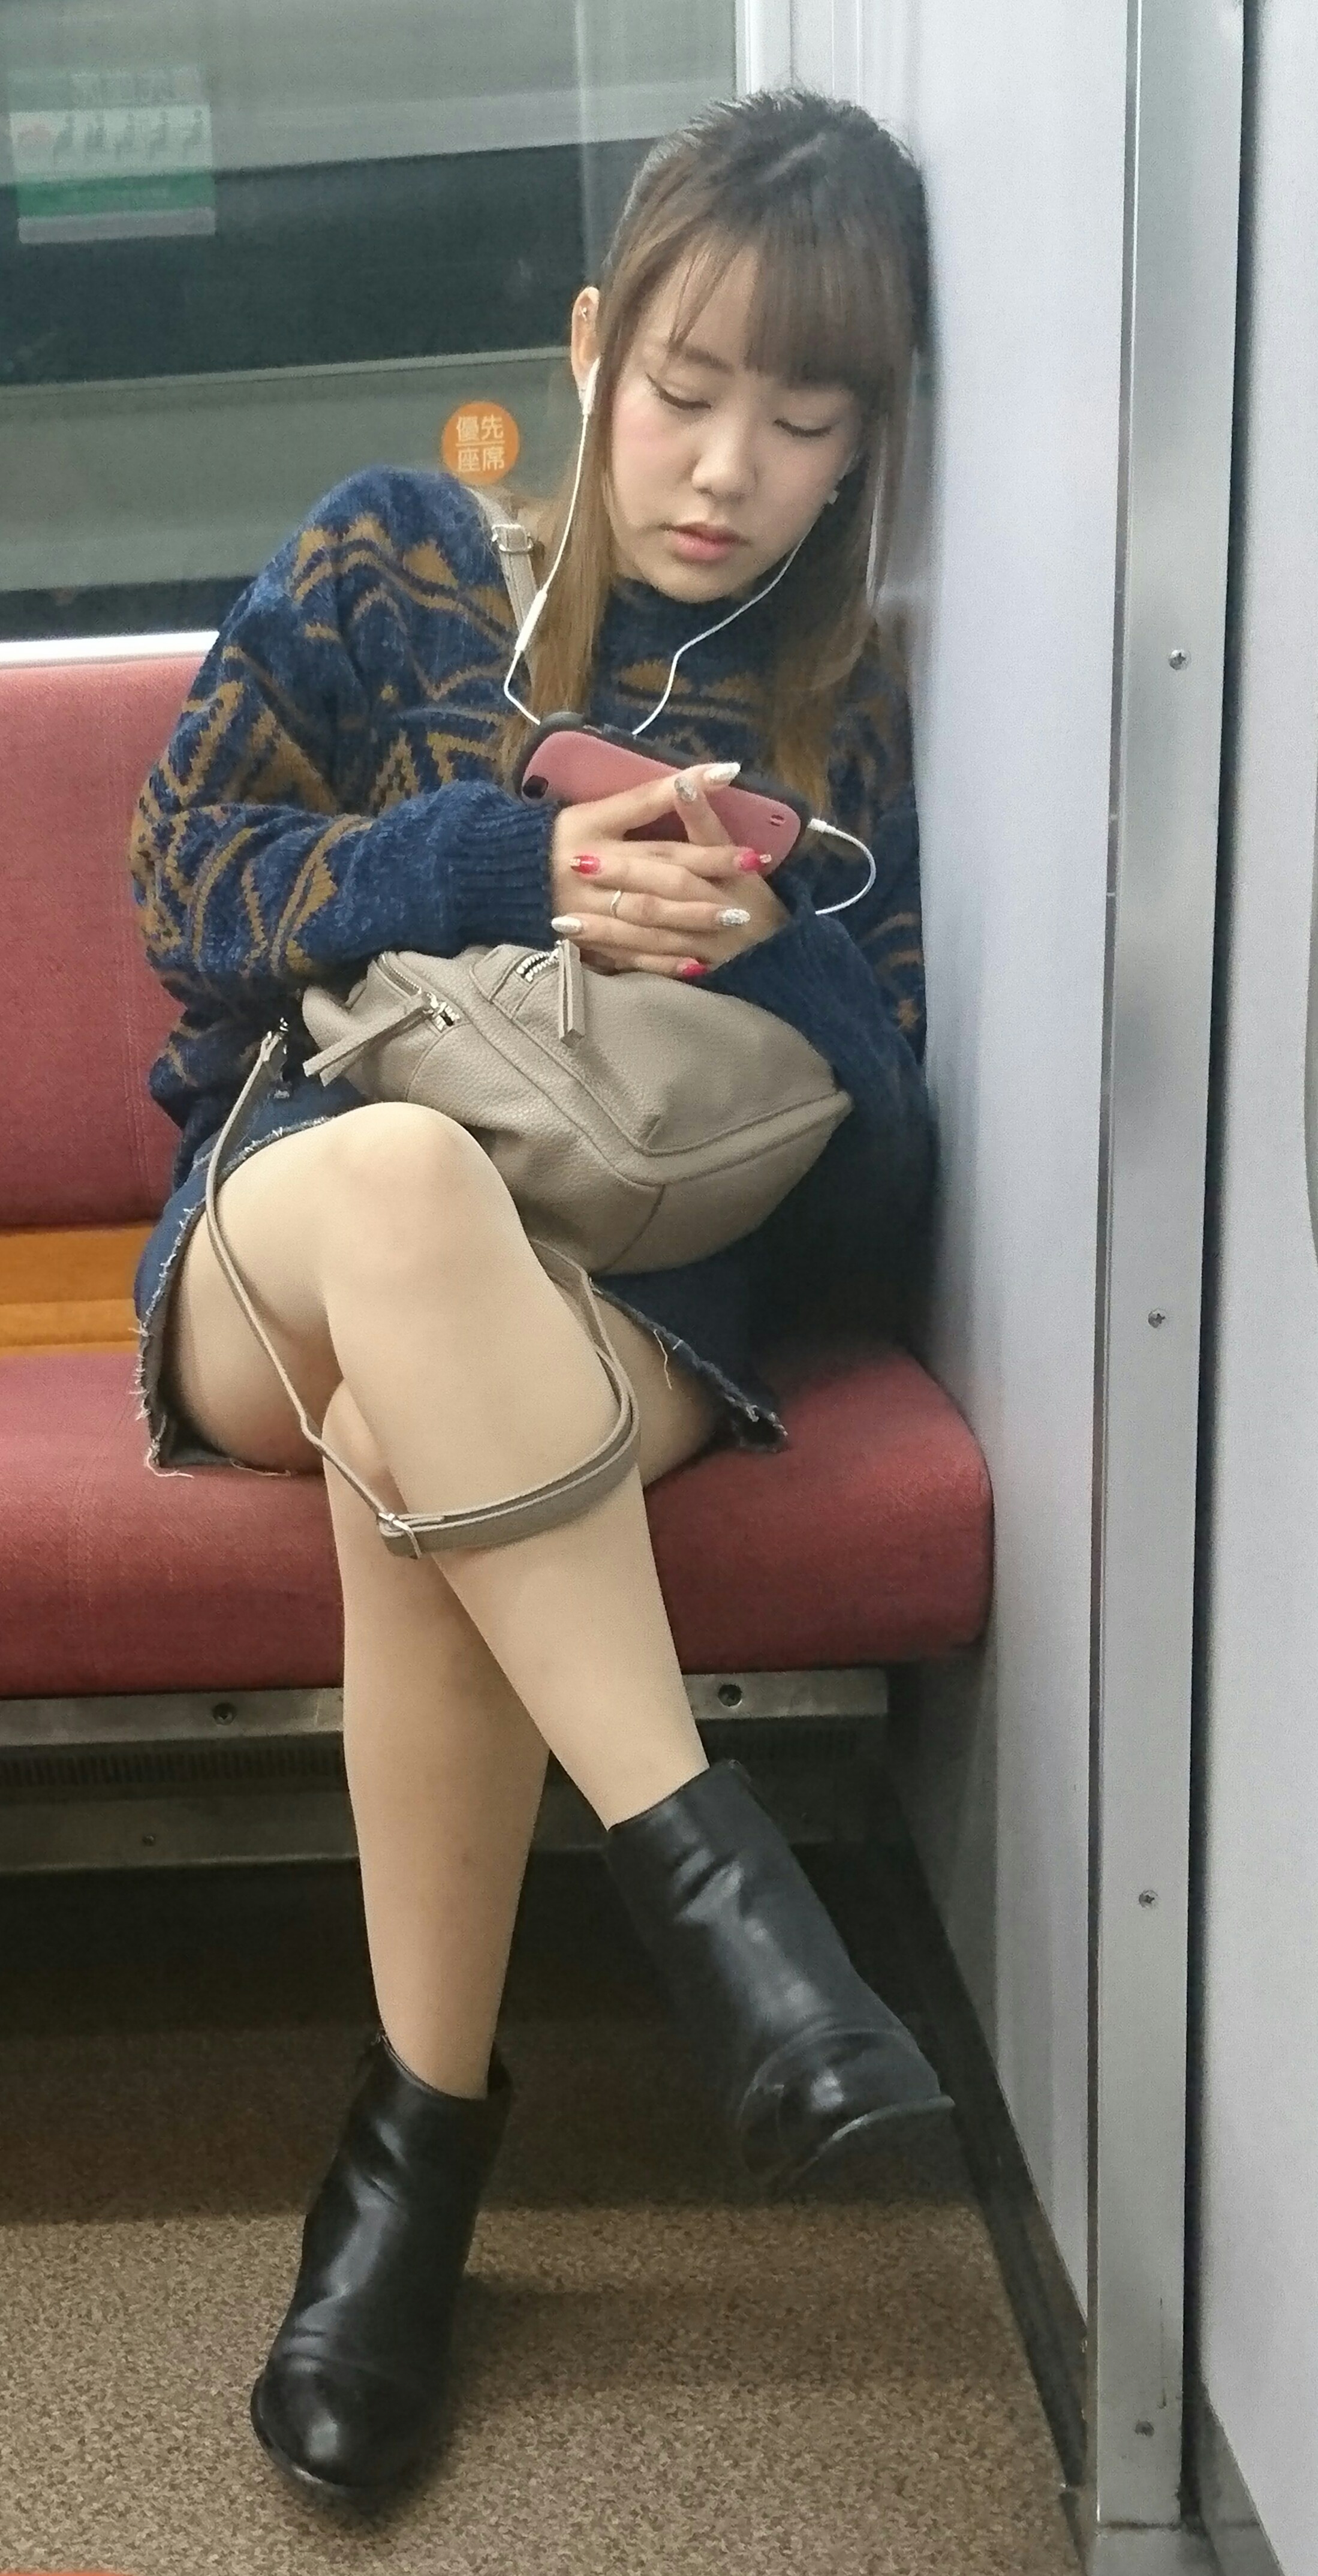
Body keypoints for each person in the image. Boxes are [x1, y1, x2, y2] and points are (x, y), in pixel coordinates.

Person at [128, 85, 947, 2506]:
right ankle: (718, 1894)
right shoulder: (396, 557)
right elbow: (180, 886)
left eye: (804, 423)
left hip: (632, 1311)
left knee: (432, 1452)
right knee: (401, 1190)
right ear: (593, 349)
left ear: (864, 446)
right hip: (293, 1225)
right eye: (684, 390)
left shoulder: (838, 717)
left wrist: (783, 952)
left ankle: (411, 2176)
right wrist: (510, 863)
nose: (728, 469)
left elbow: (874, 1201)